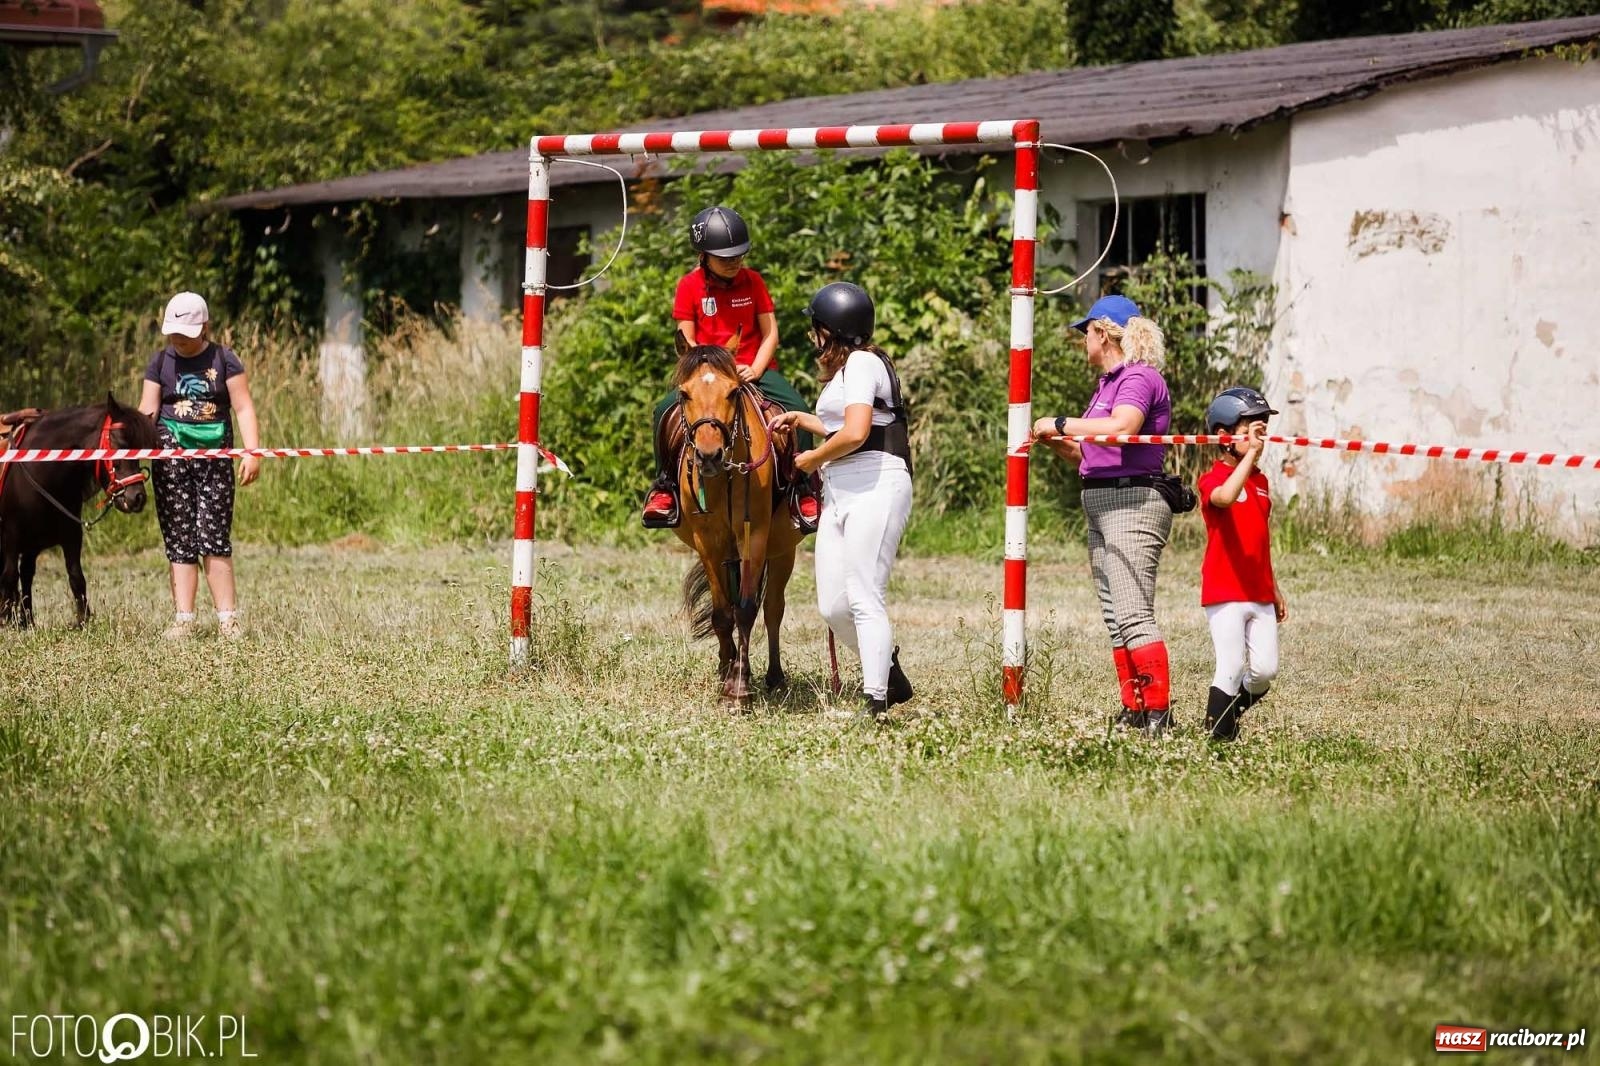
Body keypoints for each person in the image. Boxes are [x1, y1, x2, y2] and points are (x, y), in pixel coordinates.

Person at [1031, 294, 1177, 733]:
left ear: (1104, 333)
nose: (1083, 343)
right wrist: (1058, 441)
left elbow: (1122, 429)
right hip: (1102, 498)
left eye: (1086, 334)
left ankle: (1159, 713)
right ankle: (1134, 707)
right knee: (1115, 614)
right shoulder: (1109, 384)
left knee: (1133, 611)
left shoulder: (1138, 377)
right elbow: (1090, 452)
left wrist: (1060, 423)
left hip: (1131, 502)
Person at [769, 282, 913, 721]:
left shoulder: (866, 363)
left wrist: (812, 457)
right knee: (832, 604)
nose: (813, 337)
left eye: (817, 328)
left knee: (864, 594)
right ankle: (889, 671)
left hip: (876, 482)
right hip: (842, 487)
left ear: (831, 330)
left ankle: (876, 701)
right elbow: (843, 423)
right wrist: (802, 419)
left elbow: (854, 434)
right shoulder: (847, 372)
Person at [642, 205, 819, 530]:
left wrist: (755, 367)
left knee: (800, 409)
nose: (733, 261)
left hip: (755, 370)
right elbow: (685, 338)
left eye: (738, 254)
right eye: (724, 257)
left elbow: (771, 333)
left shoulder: (753, 281)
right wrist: (716, 368)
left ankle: (802, 490)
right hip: (708, 374)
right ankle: (665, 485)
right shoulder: (689, 286)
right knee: (662, 412)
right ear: (703, 255)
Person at [138, 292, 261, 640]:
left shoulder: (225, 360)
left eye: (186, 332)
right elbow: (147, 410)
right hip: (171, 464)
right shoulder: (159, 362)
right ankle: (184, 619)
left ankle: (228, 619)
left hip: (214, 462)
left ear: (205, 326)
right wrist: (133, 453)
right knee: (180, 540)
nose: (179, 339)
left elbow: (244, 407)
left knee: (215, 538)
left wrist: (253, 452)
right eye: (174, 332)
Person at [1197, 386, 1287, 741]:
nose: (1260, 436)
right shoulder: (1212, 479)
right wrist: (1248, 456)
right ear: (1225, 436)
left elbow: (1260, 541)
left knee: (1265, 671)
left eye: (1263, 429)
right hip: (1224, 590)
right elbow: (1224, 498)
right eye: (1252, 428)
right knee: (1231, 666)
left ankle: (1225, 715)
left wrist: (1275, 587)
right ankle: (1219, 739)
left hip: (1258, 589)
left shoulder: (1262, 482)